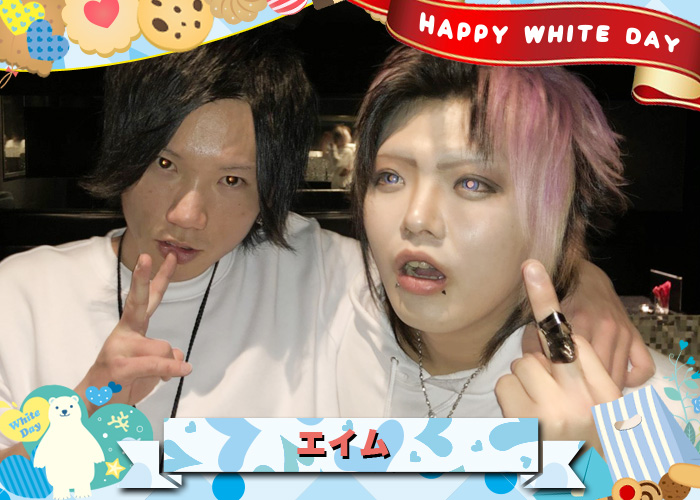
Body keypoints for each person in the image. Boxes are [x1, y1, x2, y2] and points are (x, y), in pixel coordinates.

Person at [0, 31, 652, 460]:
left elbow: (476, 261)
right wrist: (88, 402)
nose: (187, 214)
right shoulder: (20, 296)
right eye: (165, 164)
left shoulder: (312, 273)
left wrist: (578, 285)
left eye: (233, 179)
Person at [333, 47, 678, 448]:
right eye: (390, 177)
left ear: (557, 216)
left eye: (472, 183)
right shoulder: (323, 317)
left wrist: (586, 469)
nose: (416, 218)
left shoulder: (644, 409)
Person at [327, 125, 356, 189]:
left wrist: (333, 150)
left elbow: (338, 164)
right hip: (338, 183)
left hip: (343, 184)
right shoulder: (338, 150)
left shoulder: (347, 151)